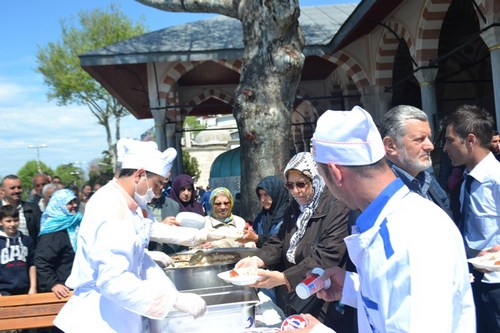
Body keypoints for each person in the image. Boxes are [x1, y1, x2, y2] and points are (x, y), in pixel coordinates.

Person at [298, 105, 475, 333]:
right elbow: (398, 297)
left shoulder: (413, 236)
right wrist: (354, 289)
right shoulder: (393, 221)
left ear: (335, 173)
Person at [54, 138, 221, 332]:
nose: (158, 193)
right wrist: (173, 300)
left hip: (119, 312)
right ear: (139, 175)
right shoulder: (111, 206)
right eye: (157, 184)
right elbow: (113, 281)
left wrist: (200, 235)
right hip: (98, 317)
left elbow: (149, 231)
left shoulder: (129, 203)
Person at [235, 152, 353, 332]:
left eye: (301, 184)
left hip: (323, 299)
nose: (295, 191)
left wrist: (284, 278)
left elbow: (327, 256)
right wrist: (257, 260)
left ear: (315, 180)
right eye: (290, 185)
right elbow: (279, 241)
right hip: (296, 298)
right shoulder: (295, 208)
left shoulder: (337, 207)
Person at [442, 104, 500, 333]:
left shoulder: (495, 180)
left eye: (450, 140)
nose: (445, 148)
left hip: (495, 285)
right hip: (472, 282)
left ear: (470, 140)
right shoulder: (467, 179)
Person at [380, 105, 453, 219]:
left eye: (429, 138)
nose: (430, 146)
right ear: (390, 146)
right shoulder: (379, 191)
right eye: (419, 139)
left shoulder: (425, 178)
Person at [35, 189, 82, 299]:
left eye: (75, 201)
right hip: (63, 291)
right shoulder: (52, 231)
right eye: (70, 203)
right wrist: (53, 284)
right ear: (59, 205)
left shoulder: (78, 222)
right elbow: (41, 261)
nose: (74, 205)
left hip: (80, 286)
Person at [239, 175, 289, 248]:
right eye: (260, 195)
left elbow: (282, 241)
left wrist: (258, 238)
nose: (262, 199)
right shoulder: (261, 218)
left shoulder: (289, 215)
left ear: (276, 193)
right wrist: (249, 233)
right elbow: (255, 234)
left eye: (266, 195)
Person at [0, 204, 37, 296]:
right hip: (4, 290)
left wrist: (33, 287)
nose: (12, 224)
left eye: (16, 220)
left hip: (25, 289)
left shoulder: (26, 240)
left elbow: (32, 265)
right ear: (1, 222)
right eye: (8, 221)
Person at [1, 175, 42, 246]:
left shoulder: (33, 209)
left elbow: (40, 233)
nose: (17, 191)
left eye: (19, 187)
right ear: (3, 191)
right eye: (12, 188)